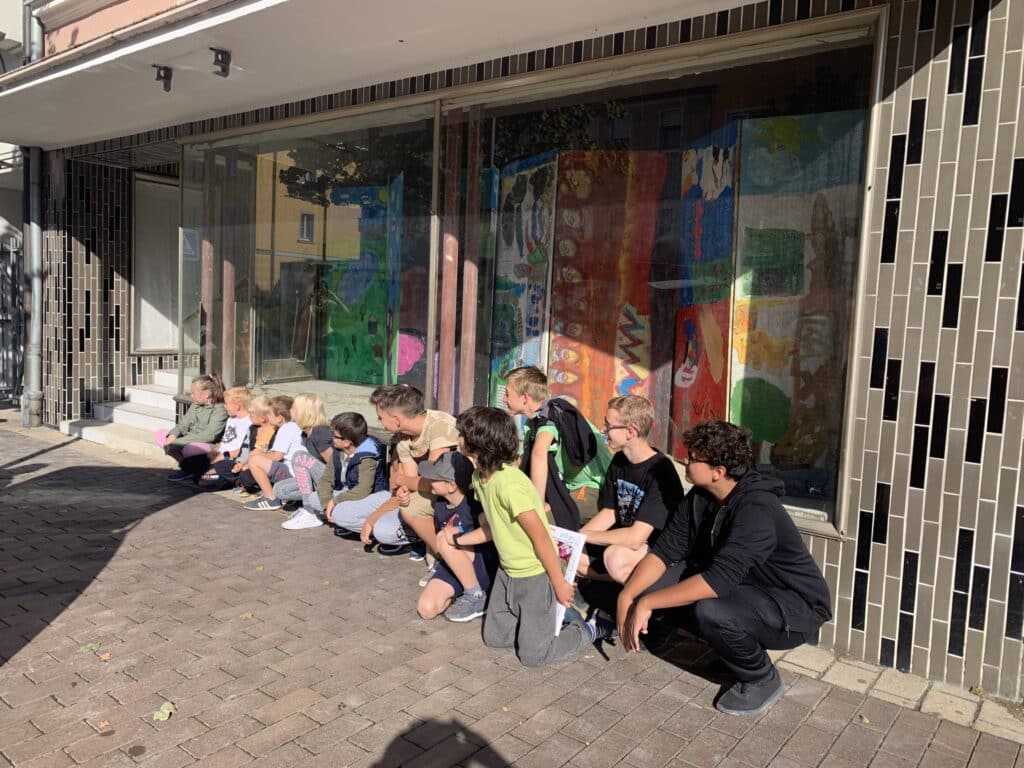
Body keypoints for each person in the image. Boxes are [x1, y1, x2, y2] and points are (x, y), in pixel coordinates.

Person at [617, 419, 833, 717]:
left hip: (793, 606)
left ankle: (761, 677)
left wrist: (647, 603)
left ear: (718, 471)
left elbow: (717, 581)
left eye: (693, 458)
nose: (685, 461)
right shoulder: (701, 496)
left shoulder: (756, 508)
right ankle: (729, 653)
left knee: (710, 610)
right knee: (654, 583)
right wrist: (628, 596)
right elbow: (665, 551)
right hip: (743, 589)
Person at [445, 406, 611, 667]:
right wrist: (459, 539)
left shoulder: (510, 485)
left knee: (534, 656)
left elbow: (541, 537)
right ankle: (539, 624)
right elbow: (494, 523)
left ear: (478, 443)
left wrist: (559, 584)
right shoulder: (480, 477)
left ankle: (587, 629)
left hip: (535, 574)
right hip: (507, 572)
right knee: (496, 639)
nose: (458, 439)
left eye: (462, 435)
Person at [578, 395, 683, 584]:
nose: (603, 430)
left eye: (608, 426)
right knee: (570, 554)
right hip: (626, 539)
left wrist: (586, 536)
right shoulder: (619, 461)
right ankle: (615, 582)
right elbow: (611, 511)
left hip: (653, 548)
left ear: (630, 432)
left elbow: (636, 538)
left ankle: (643, 593)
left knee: (615, 558)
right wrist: (575, 540)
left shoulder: (661, 472)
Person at [503, 366, 611, 530]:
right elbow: (522, 462)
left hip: (594, 488)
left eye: (507, 394)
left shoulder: (550, 416)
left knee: (536, 522)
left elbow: (539, 453)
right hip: (571, 487)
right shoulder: (533, 422)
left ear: (525, 398)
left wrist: (537, 505)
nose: (504, 399)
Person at [370, 385, 458, 564]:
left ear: (396, 419)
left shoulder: (439, 425)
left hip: (456, 493)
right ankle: (435, 548)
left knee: (412, 509)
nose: (379, 422)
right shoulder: (403, 438)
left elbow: (433, 481)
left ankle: (448, 557)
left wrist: (402, 480)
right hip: (435, 491)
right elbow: (412, 484)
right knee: (406, 506)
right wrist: (403, 489)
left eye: (381, 418)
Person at [417, 451, 496, 623]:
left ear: (451, 486)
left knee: (444, 539)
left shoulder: (473, 504)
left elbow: (491, 531)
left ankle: (475, 595)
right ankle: (461, 591)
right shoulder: (440, 504)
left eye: (435, 478)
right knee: (426, 609)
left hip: (479, 566)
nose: (429, 480)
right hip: (452, 564)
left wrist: (457, 540)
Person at [273, 394, 335, 530]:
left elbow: (335, 464)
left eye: (293, 408)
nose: (290, 410)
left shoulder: (320, 433)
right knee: (280, 490)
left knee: (299, 457)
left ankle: (310, 511)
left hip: (335, 479)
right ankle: (315, 506)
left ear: (304, 412)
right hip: (320, 479)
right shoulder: (305, 433)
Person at [156, 373, 228, 483]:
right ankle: (187, 468)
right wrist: (173, 435)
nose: (191, 396)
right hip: (190, 438)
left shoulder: (220, 410)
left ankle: (196, 468)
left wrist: (178, 442)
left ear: (206, 394)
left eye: (193, 393)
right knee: (161, 434)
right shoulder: (196, 404)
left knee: (190, 449)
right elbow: (184, 423)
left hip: (208, 443)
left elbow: (209, 435)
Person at [324, 412, 388, 535]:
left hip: (372, 496)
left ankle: (378, 530)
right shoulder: (340, 449)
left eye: (335, 436)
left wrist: (335, 501)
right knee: (315, 499)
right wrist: (327, 502)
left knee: (338, 514)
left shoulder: (367, 456)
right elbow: (326, 478)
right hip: (350, 492)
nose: (332, 438)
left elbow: (363, 490)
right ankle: (348, 521)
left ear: (347, 442)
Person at [241, 395, 302, 511]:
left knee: (254, 461)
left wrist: (256, 455)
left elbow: (277, 456)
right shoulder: (294, 426)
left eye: (269, 414)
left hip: (293, 474)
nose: (267, 416)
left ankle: (271, 498)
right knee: (256, 458)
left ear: (280, 418)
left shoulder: (286, 429)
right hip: (297, 471)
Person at [221, 396, 277, 494]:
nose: (249, 417)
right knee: (222, 466)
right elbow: (245, 447)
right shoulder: (252, 428)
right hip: (247, 461)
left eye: (251, 415)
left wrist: (249, 465)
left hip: (262, 466)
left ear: (262, 419)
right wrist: (241, 462)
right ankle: (241, 482)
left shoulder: (275, 431)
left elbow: (271, 455)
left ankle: (253, 484)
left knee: (246, 477)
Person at [203, 386, 252, 484]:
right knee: (196, 463)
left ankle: (235, 481)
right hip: (221, 456)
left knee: (216, 470)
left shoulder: (249, 422)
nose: (224, 406)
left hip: (234, 459)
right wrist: (215, 450)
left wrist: (221, 456)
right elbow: (226, 440)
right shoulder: (231, 419)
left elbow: (246, 450)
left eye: (226, 403)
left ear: (237, 406)